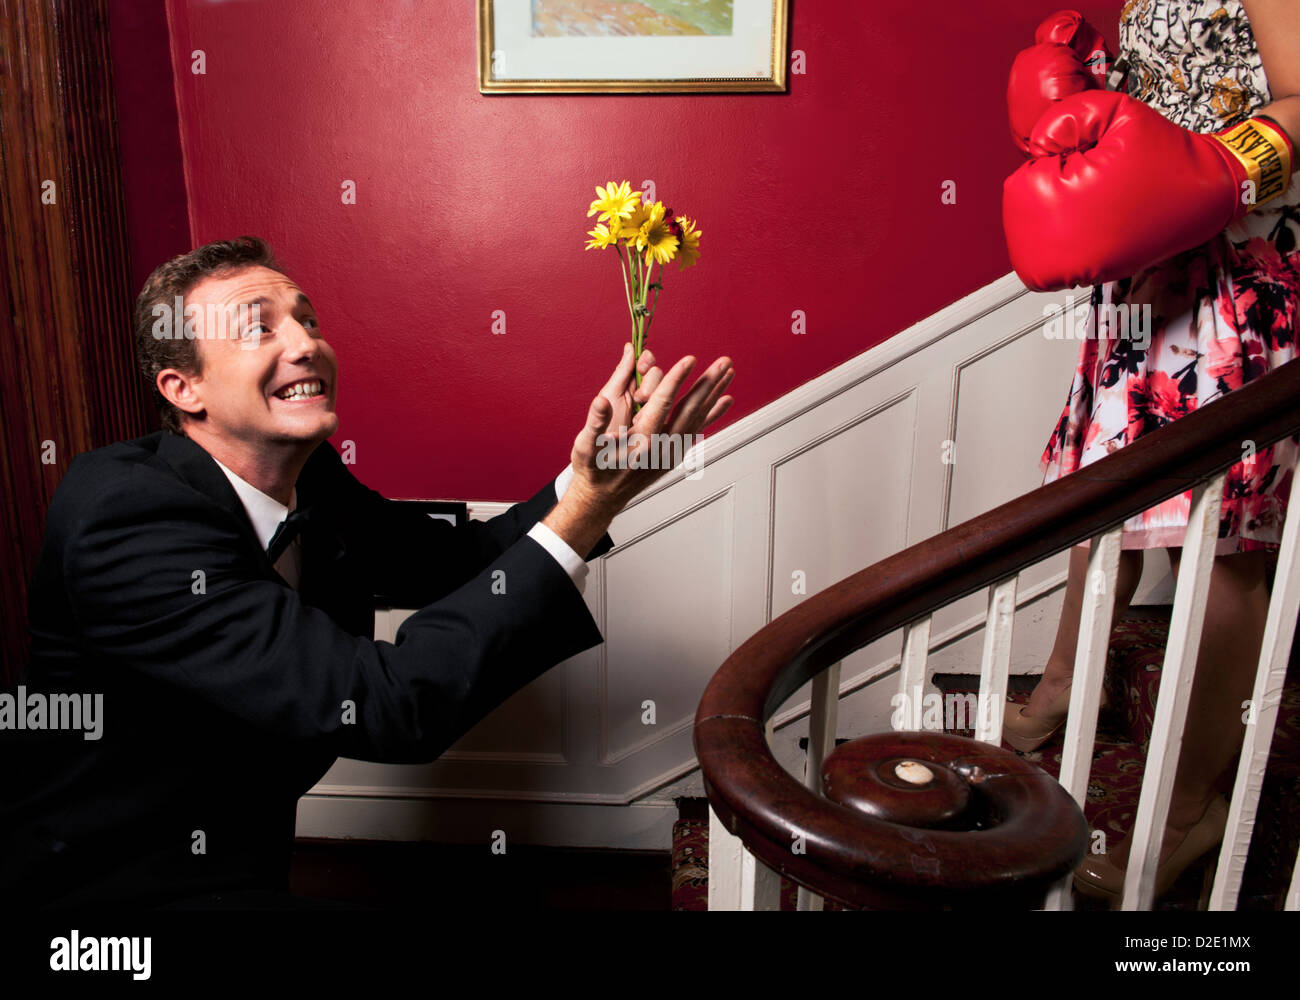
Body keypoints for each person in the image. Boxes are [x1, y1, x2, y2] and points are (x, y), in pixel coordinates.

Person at [0, 236, 735, 908]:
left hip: (242, 850)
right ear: (182, 389)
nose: (307, 344)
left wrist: (589, 485)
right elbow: (389, 706)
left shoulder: (312, 475)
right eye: (260, 328)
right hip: (102, 884)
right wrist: (585, 511)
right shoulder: (125, 517)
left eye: (308, 321)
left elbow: (460, 563)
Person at [1000, 1, 1300, 902]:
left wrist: (1211, 168)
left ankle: (1186, 813)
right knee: (1108, 481)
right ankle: (1065, 684)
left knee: (1224, 537)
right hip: (1155, 256)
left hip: (1239, 262)